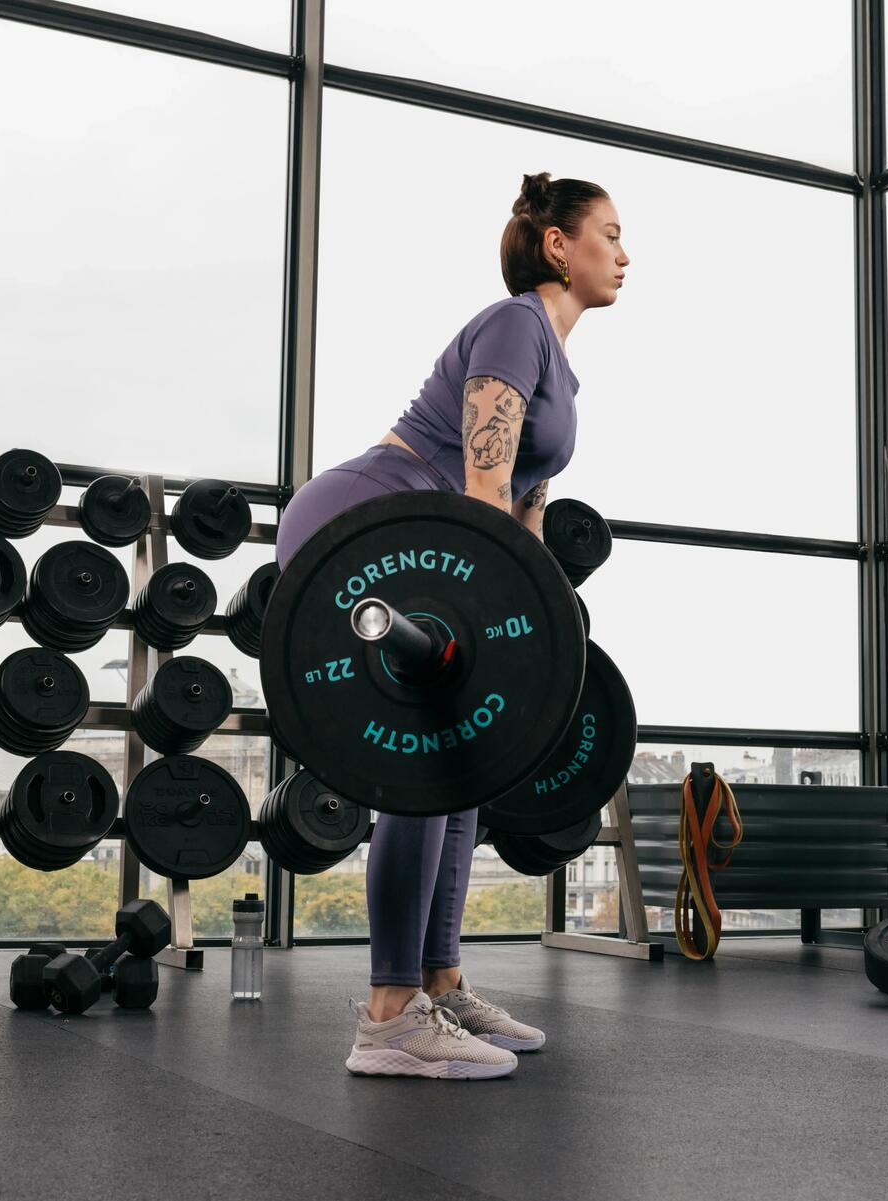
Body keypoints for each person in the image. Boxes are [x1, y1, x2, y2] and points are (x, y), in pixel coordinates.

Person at [272, 171, 628, 1079]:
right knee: (425, 767)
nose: (625, 255)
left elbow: (522, 517)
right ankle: (388, 1018)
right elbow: (481, 482)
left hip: (442, 543)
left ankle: (438, 982)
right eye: (611, 234)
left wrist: (537, 639)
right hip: (375, 521)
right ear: (559, 246)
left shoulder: (562, 366)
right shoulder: (515, 323)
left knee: (469, 760)